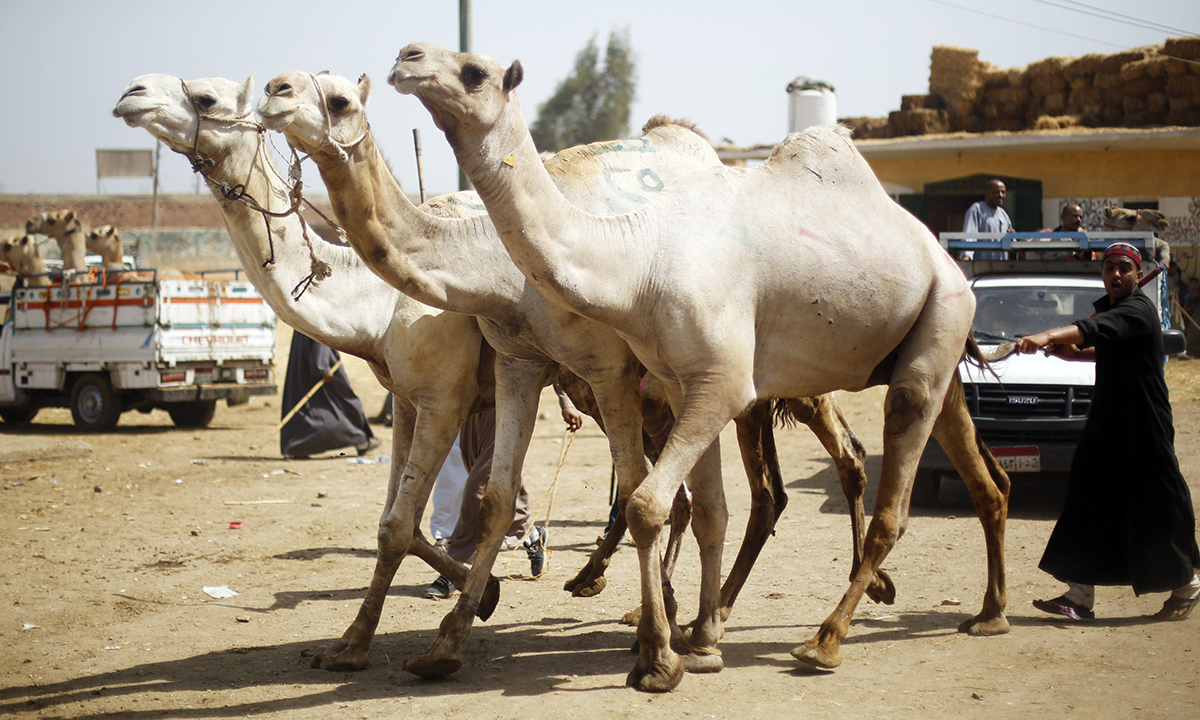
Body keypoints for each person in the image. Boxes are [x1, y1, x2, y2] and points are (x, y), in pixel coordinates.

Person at [1016, 242, 1200, 621]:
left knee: (1159, 499)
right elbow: (1113, 347)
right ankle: (1079, 594)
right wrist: (1076, 354)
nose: (1115, 275)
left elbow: (1096, 329)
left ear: (1136, 274)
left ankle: (1187, 584)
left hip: (1144, 421)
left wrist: (1049, 336)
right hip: (1109, 419)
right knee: (1088, 493)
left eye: (1123, 269)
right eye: (1109, 268)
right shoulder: (1118, 309)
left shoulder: (1137, 309)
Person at [424, 383, 585, 599]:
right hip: (472, 406)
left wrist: (567, 400)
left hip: (512, 406)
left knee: (477, 490)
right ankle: (531, 534)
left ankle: (454, 568)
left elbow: (549, 352)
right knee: (499, 482)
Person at [280, 331, 380, 459]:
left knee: (309, 405)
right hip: (321, 361)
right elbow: (320, 330)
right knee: (345, 401)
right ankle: (361, 440)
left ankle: (297, 447)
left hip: (307, 358)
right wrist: (322, 366)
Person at [962, 179, 1012, 261]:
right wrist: (966, 257)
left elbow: (1010, 243)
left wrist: (1012, 236)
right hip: (981, 266)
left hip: (1001, 266)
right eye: (996, 192)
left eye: (1003, 192)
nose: (1000, 195)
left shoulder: (1004, 215)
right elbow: (969, 236)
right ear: (987, 193)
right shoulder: (977, 209)